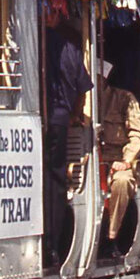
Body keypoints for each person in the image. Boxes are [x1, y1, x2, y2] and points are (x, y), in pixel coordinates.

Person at [41, 19, 87, 264]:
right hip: (59, 120)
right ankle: (53, 247)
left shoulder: (38, 38)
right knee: (55, 181)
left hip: (38, 115)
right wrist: (74, 115)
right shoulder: (70, 49)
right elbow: (83, 88)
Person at [98, 56, 140, 258]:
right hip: (89, 163)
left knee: (122, 182)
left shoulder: (124, 99)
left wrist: (126, 160)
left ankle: (111, 237)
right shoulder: (80, 102)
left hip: (117, 161)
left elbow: (138, 136)